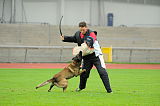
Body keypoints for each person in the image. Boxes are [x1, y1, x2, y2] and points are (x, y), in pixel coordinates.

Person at [60, 21, 112, 93]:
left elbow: (91, 41)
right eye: (80, 30)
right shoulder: (78, 34)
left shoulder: (91, 33)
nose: (82, 31)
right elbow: (74, 38)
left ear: (86, 28)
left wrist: (87, 44)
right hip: (86, 57)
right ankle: (81, 87)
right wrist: (64, 38)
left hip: (96, 56)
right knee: (84, 74)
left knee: (102, 72)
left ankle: (109, 91)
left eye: (83, 30)